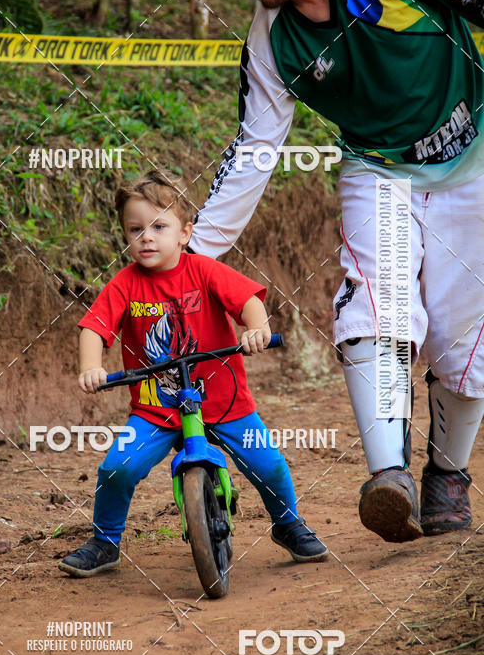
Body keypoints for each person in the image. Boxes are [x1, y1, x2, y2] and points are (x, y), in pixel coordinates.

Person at [190, 0, 484, 543]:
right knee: (371, 308)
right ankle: (390, 479)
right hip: (378, 166)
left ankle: (447, 475)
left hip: (477, 150)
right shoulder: (269, 41)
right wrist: (192, 257)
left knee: (464, 340)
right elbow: (254, 151)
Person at [59, 169, 328, 577]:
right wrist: (91, 367)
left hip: (225, 401)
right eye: (135, 229)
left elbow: (248, 301)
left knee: (268, 464)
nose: (146, 237)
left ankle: (288, 524)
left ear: (184, 233)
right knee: (116, 468)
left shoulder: (204, 271)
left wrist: (257, 329)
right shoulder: (124, 285)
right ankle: (105, 541)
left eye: (158, 226)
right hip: (156, 408)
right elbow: (94, 328)